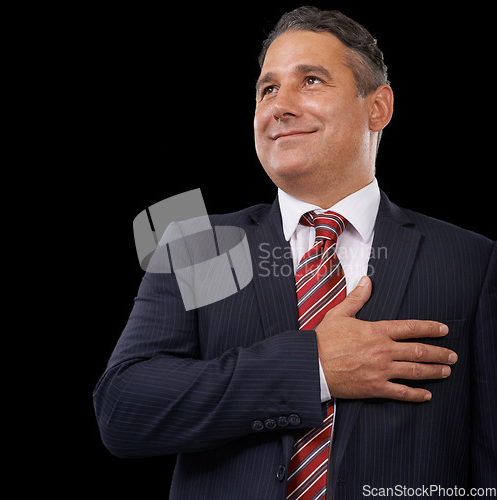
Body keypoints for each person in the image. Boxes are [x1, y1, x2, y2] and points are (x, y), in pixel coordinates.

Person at [93, 6, 496, 499]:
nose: (279, 106)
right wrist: (315, 368)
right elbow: (125, 409)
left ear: (378, 107)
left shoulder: (470, 260)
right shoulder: (202, 248)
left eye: (310, 81)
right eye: (267, 89)